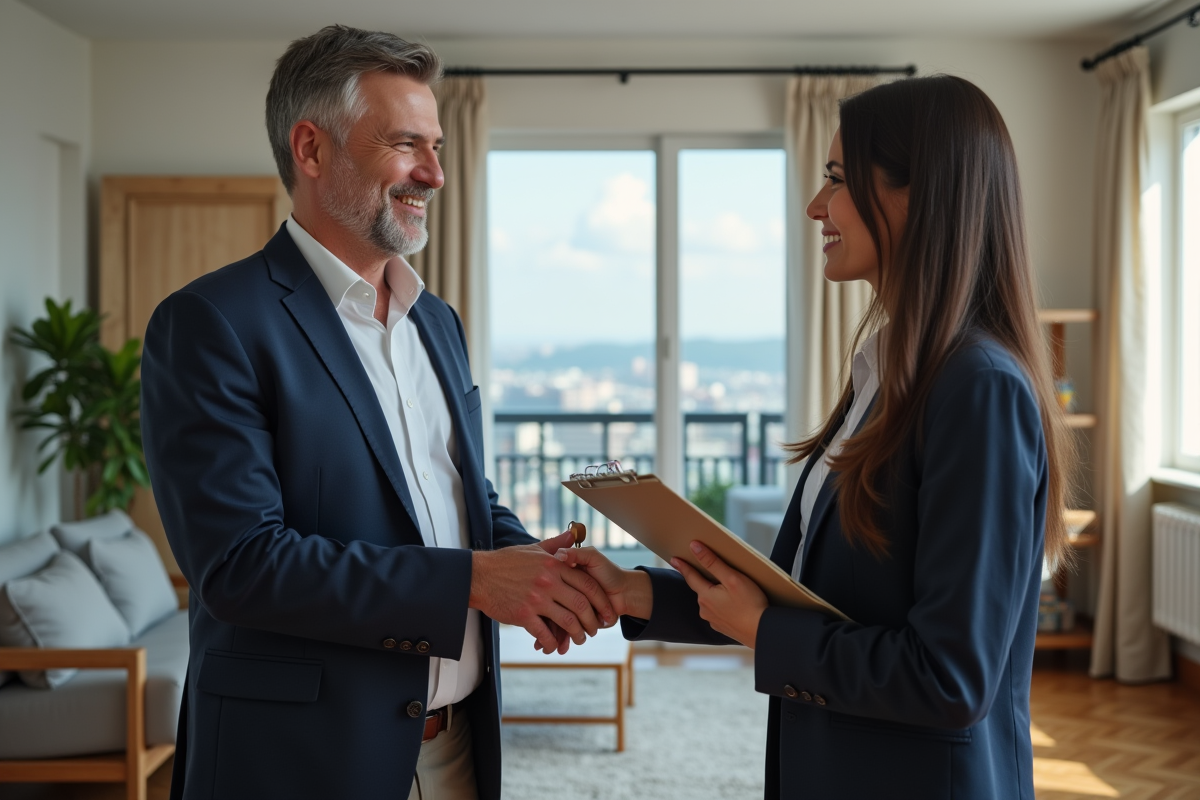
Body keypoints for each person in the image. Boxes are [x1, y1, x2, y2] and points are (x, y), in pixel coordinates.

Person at [560, 75, 1073, 799]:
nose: (813, 207)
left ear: (916, 194)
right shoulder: (885, 373)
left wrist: (764, 633)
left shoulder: (976, 388)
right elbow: (799, 598)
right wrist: (634, 592)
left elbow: (952, 677)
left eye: (836, 179)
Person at [141, 26, 613, 800]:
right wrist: (473, 580)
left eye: (436, 146)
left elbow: (458, 497)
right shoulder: (211, 323)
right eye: (406, 145)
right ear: (311, 148)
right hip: (300, 759)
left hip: (455, 747)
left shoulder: (439, 322)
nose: (434, 173)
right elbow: (241, 567)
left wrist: (535, 568)